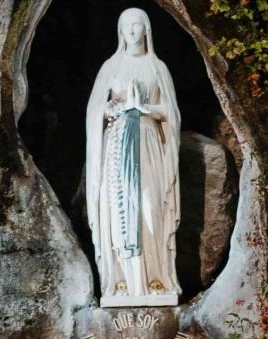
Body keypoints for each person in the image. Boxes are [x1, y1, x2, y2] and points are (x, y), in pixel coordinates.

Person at [85, 7, 182, 305]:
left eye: (137, 24)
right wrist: (111, 110)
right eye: (126, 25)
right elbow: (94, 110)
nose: (131, 30)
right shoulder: (111, 67)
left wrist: (145, 108)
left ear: (146, 29)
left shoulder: (157, 68)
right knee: (118, 210)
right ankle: (124, 281)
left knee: (150, 206)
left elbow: (171, 113)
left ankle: (155, 279)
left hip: (147, 143)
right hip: (117, 146)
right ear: (119, 31)